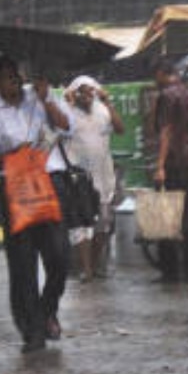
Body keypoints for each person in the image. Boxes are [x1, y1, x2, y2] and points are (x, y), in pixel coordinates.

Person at [0, 56, 70, 352]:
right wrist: (11, 153)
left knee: (60, 257)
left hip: (48, 182)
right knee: (23, 264)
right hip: (14, 189)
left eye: (15, 75)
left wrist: (47, 99)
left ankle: (46, 309)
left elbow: (66, 127)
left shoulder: (39, 97)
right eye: (5, 77)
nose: (13, 81)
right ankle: (32, 330)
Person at [63, 74, 125, 281]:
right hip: (79, 177)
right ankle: (86, 270)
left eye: (91, 90)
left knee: (104, 223)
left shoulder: (103, 110)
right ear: (76, 93)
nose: (88, 94)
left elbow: (120, 128)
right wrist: (68, 105)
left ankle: (95, 263)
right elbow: (59, 131)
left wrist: (107, 102)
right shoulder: (69, 113)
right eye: (83, 91)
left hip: (104, 175)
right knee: (82, 224)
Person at [152, 57, 188, 283]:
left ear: (162, 74)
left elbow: (166, 132)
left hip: (174, 163)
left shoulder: (166, 96)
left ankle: (171, 271)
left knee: (167, 218)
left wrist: (160, 165)